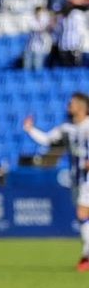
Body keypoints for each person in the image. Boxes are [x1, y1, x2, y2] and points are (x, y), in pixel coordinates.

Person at [24, 92, 89, 272]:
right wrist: (31, 129)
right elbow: (47, 140)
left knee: (82, 214)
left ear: (82, 107)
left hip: (87, 179)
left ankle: (87, 255)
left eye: (72, 103)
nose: (69, 105)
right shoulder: (67, 128)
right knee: (82, 217)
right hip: (76, 178)